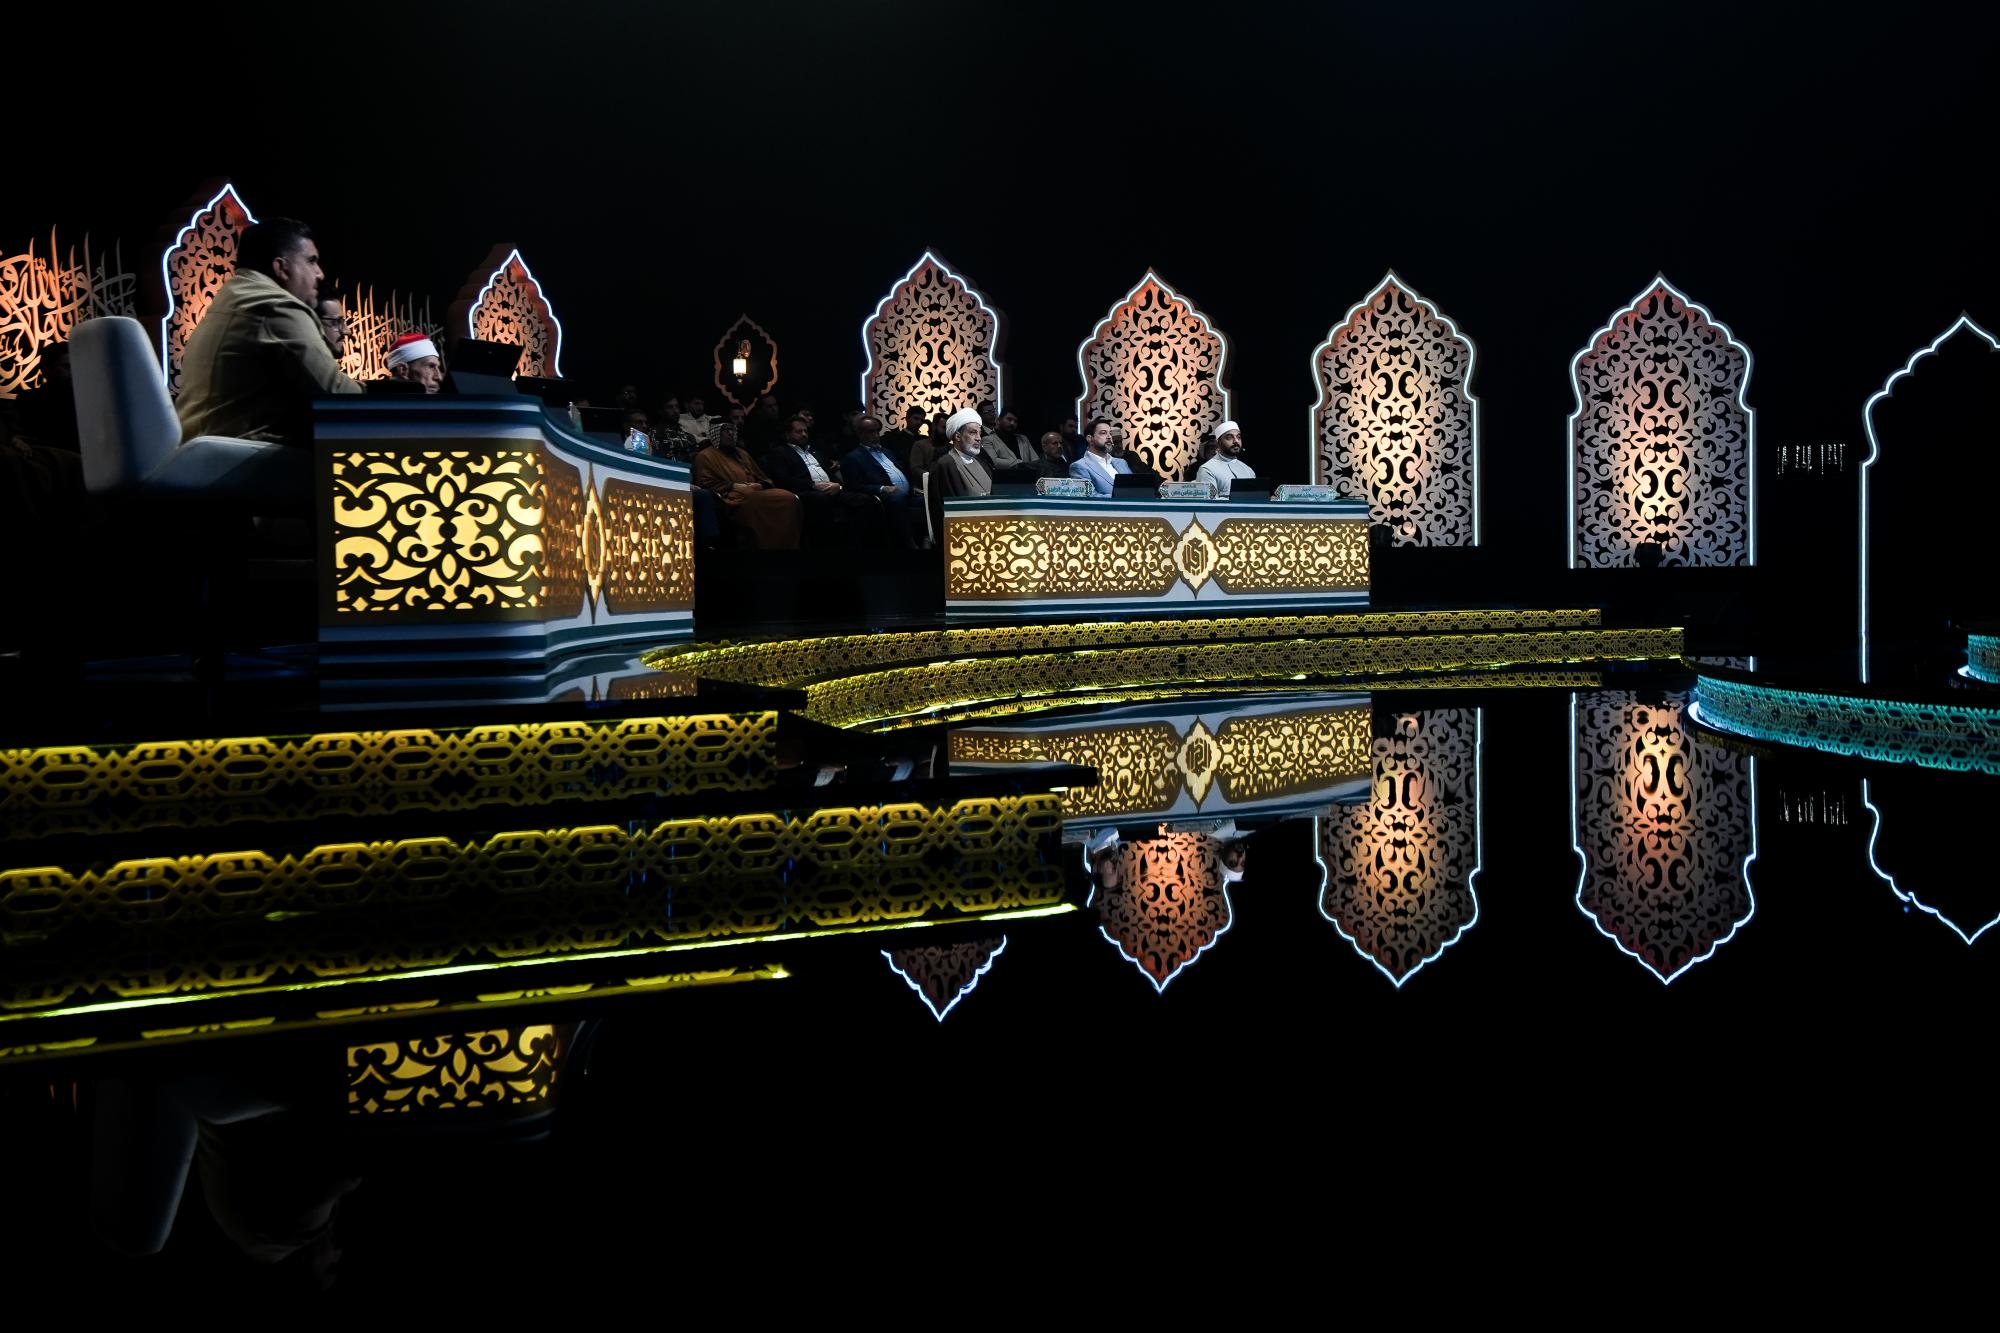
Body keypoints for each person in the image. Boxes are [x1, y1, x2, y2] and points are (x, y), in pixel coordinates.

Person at [175, 217, 362, 446]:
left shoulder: (235, 295)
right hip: (236, 458)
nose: (320, 274)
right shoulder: (277, 306)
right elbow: (338, 395)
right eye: (311, 261)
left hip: (206, 451)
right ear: (281, 268)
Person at [691, 422, 801, 548]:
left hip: (756, 491)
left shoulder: (742, 453)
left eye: (733, 430)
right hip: (733, 498)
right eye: (726, 430)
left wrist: (760, 485)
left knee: (790, 498)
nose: (731, 433)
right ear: (716, 433)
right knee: (781, 500)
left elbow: (763, 478)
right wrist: (733, 486)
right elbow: (705, 484)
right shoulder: (705, 456)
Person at [840, 414, 919, 547]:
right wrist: (882, 488)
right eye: (871, 431)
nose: (877, 435)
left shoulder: (888, 452)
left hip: (908, 495)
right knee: (897, 499)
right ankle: (907, 543)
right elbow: (854, 486)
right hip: (882, 498)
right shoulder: (853, 458)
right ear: (860, 433)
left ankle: (937, 539)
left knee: (934, 499)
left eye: (878, 431)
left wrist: (912, 487)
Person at [1068, 416, 1131, 497]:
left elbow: (1134, 489)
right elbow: (1089, 497)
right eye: (1103, 433)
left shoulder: (1122, 463)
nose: (1109, 437)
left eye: (1110, 433)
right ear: (1090, 439)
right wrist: (1121, 497)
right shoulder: (1079, 466)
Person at [1197, 419, 1256, 496]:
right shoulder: (1207, 469)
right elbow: (1209, 501)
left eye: (1238, 437)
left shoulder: (1248, 470)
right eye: (1229, 437)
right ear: (1219, 443)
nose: (1236, 441)